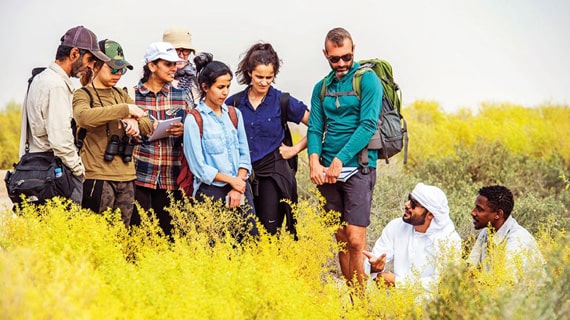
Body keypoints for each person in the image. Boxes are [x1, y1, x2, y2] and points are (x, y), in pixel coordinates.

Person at [307, 27, 382, 286]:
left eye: (346, 57)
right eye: (335, 58)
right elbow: (315, 127)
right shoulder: (321, 87)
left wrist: (339, 159)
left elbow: (368, 125)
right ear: (325, 54)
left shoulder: (368, 80)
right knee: (339, 237)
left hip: (359, 166)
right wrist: (314, 160)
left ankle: (361, 305)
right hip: (327, 172)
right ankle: (353, 298)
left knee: (355, 239)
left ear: (353, 51)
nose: (341, 63)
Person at [18, 25, 109, 204]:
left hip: (34, 169)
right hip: (56, 173)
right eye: (90, 59)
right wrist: (78, 170)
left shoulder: (39, 78)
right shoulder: (57, 85)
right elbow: (60, 139)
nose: (91, 66)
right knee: (68, 229)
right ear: (74, 54)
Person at [226, 42, 309, 237]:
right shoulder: (234, 103)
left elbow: (317, 126)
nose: (264, 82)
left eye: (269, 78)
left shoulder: (283, 101)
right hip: (241, 174)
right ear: (249, 74)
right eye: (259, 77)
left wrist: (295, 149)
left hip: (273, 173)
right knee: (241, 231)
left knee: (269, 231)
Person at [73, 39, 153, 227]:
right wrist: (125, 110)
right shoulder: (83, 94)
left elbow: (148, 124)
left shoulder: (120, 93)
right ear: (95, 64)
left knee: (121, 236)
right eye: (113, 69)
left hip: (127, 176)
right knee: (98, 236)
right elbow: (83, 117)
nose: (118, 75)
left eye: (122, 70)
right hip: (97, 176)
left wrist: (134, 121)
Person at [183, 52, 258, 239]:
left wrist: (238, 184)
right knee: (216, 248)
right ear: (205, 87)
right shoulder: (195, 119)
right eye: (220, 87)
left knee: (249, 243)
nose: (225, 92)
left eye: (228, 87)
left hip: (240, 188)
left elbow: (244, 155)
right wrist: (231, 181)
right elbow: (199, 167)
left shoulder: (234, 114)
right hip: (211, 192)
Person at [132, 42, 189, 237]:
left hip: (171, 178)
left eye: (175, 64)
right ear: (152, 66)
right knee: (138, 235)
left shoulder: (182, 96)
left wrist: (184, 130)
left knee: (169, 238)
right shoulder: (132, 96)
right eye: (168, 64)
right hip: (139, 175)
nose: (174, 68)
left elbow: (195, 130)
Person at [363, 183, 462, 291]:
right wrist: (374, 267)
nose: (406, 204)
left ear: (430, 214)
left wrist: (397, 282)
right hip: (395, 301)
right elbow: (374, 262)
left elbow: (441, 283)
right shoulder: (396, 226)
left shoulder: (449, 240)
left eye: (414, 204)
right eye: (409, 199)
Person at [467, 185, 544, 276]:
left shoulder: (518, 239)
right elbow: (470, 270)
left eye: (480, 209)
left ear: (498, 214)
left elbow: (506, 284)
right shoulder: (486, 232)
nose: (472, 212)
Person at [162, 27, 200, 108]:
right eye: (176, 51)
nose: (181, 55)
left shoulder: (196, 76)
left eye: (186, 51)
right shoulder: (153, 78)